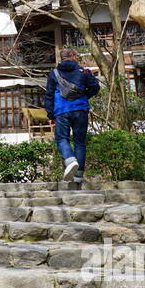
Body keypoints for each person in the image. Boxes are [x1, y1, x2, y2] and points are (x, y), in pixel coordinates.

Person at [46, 48, 100, 186]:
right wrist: (84, 97)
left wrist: (50, 113)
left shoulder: (54, 74)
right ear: (73, 56)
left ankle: (70, 160)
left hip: (61, 111)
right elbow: (95, 87)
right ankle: (78, 176)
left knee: (61, 138)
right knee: (80, 142)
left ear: (62, 58)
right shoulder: (84, 72)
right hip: (80, 110)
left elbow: (49, 95)